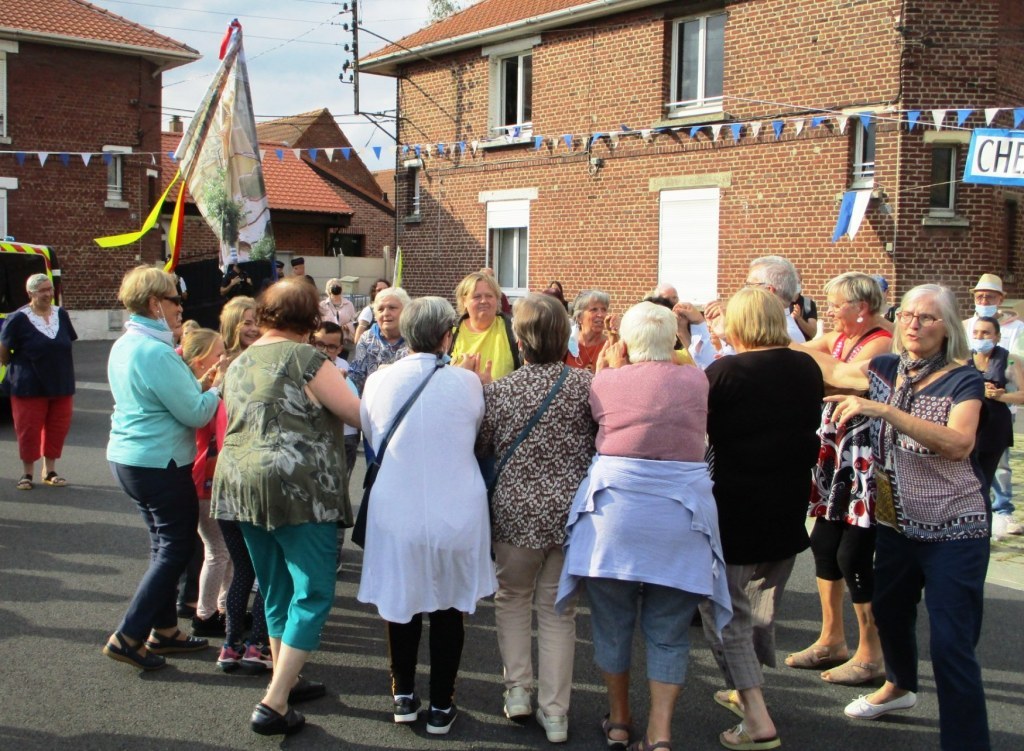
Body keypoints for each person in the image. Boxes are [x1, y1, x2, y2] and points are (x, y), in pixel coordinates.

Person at [556, 301, 731, 751]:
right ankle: (661, 731)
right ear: (672, 340)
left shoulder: (606, 381)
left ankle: (618, 719)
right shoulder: (695, 378)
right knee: (669, 631)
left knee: (612, 623)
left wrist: (610, 365)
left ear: (629, 341)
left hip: (614, 517)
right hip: (681, 518)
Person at [823, 285, 990, 751]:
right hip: (896, 526)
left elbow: (959, 443)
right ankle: (898, 686)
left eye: (928, 318)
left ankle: (967, 743)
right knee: (890, 613)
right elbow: (832, 369)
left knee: (951, 646)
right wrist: (766, 328)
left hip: (954, 530)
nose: (914, 324)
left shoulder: (963, 380)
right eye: (908, 315)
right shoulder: (885, 367)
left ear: (948, 328)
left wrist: (886, 410)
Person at [212, 277, 361, 736]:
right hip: (299, 487)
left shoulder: (239, 361)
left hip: (239, 484)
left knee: (274, 588)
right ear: (311, 322)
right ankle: (274, 701)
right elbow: (359, 414)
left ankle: (284, 678)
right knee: (313, 590)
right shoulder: (308, 359)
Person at [358, 296, 497, 736]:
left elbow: (370, 430)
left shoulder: (379, 380)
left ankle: (402, 695)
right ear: (445, 336)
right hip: (455, 508)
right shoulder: (468, 383)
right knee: (449, 607)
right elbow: (474, 431)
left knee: (402, 603)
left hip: (395, 507)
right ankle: (441, 703)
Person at [702, 286, 823, 750]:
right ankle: (744, 687)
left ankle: (756, 717)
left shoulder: (725, 371)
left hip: (735, 507)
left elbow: (700, 433)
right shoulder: (806, 367)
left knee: (722, 613)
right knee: (758, 608)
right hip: (787, 505)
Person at [476, 293, 597, 743]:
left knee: (511, 600)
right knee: (558, 612)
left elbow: (483, 448)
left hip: (514, 513)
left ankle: (518, 693)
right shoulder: (587, 386)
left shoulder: (500, 391)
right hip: (568, 516)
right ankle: (556, 713)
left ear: (520, 339)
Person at [103, 265, 222, 671]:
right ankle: (130, 634)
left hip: (131, 458)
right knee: (176, 547)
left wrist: (199, 385)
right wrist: (218, 387)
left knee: (162, 544)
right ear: (155, 304)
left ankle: (165, 630)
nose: (179, 307)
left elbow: (170, 396)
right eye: (175, 299)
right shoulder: (155, 351)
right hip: (159, 461)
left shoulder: (127, 343)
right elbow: (193, 412)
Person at [786, 273, 891, 686]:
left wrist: (819, 364)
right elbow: (802, 354)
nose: (828, 311)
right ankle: (832, 639)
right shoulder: (840, 337)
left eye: (835, 304)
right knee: (825, 544)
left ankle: (873, 652)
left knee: (855, 554)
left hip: (866, 458)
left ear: (861, 309)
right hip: (836, 454)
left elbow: (849, 376)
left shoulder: (882, 341)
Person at [214, 295, 272, 675]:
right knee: (266, 571)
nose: (252, 327)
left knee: (245, 570)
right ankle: (257, 645)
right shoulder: (249, 368)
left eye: (257, 321)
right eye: (245, 321)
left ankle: (232, 645)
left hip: (227, 478)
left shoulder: (222, 370)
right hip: (252, 479)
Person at [0, 273, 77, 490]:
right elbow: (3, 352)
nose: (48, 294)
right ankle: (27, 474)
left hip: (61, 382)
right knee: (28, 429)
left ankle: (50, 470)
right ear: (30, 293)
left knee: (57, 427)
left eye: (50, 289)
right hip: (28, 384)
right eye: (42, 290)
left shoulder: (61, 314)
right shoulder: (17, 318)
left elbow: (66, 342)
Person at [962, 273, 1024, 538]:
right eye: (979, 296)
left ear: (1000, 299)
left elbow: (1016, 365)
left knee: (999, 465)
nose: (983, 300)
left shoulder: (1016, 329)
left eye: (989, 296)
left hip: (999, 412)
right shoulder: (966, 326)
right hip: (968, 413)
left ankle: (1002, 511)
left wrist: (1000, 393)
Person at [180, 328, 232, 638]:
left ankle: (222, 607)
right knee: (217, 551)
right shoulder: (202, 396)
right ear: (201, 363)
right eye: (219, 354)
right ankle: (205, 613)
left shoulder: (201, 390)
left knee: (226, 552)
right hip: (205, 480)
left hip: (213, 478)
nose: (224, 358)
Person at [969, 317, 1018, 501]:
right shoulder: (962, 359)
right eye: (976, 333)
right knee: (968, 483)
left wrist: (1000, 396)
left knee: (984, 484)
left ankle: (989, 521)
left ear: (997, 337)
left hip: (995, 428)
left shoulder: (1008, 359)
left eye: (986, 333)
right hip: (969, 426)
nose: (980, 337)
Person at [449, 271, 520, 381]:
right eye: (477, 296)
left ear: (497, 299)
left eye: (489, 296)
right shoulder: (450, 333)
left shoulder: (514, 329)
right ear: (464, 301)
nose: (484, 301)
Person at [349, 287, 411, 396]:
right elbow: (356, 376)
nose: (386, 313)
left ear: (406, 311)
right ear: (375, 315)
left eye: (392, 308)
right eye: (380, 309)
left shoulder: (415, 337)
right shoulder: (367, 338)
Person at [744, 255, 806, 343]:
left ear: (768, 291)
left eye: (750, 285)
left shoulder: (785, 335)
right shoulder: (764, 325)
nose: (744, 291)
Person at [564, 289, 612, 372]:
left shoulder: (610, 344)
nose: (600, 314)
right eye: (594, 309)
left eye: (604, 309)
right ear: (579, 317)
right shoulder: (567, 343)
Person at [319, 277, 357, 344]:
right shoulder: (322, 305)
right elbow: (319, 324)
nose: (335, 288)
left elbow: (354, 322)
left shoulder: (349, 304)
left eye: (337, 286)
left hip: (345, 341)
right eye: (332, 286)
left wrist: (347, 326)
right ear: (328, 290)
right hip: (327, 341)